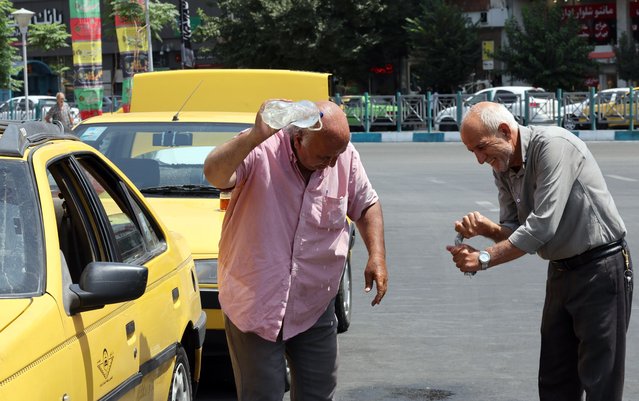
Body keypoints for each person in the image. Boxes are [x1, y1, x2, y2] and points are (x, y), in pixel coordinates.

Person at [446, 101, 633, 401]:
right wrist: (486, 230)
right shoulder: (504, 166)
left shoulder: (553, 146)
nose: (480, 159)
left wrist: (483, 259)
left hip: (600, 269)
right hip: (561, 271)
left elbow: (541, 228)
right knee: (555, 381)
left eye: (481, 147)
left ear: (506, 131)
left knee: (601, 382)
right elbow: (514, 227)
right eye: (472, 152)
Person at [203, 99, 388, 400]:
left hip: (314, 303)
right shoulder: (260, 149)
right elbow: (214, 175)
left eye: (336, 156)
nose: (331, 164)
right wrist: (252, 137)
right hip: (255, 303)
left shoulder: (343, 156)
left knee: (319, 392)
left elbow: (367, 204)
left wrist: (377, 256)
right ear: (299, 138)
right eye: (324, 156)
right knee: (262, 394)